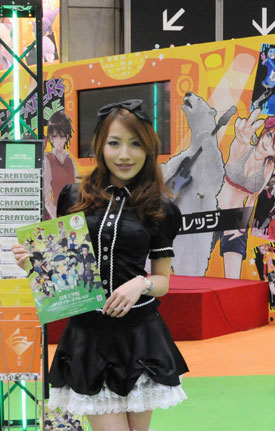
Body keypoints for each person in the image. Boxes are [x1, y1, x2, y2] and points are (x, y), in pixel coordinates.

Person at [12, 99, 188, 431]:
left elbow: (163, 280)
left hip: (140, 335)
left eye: (135, 144)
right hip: (89, 336)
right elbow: (62, 270)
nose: (125, 154)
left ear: (148, 149)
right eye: (114, 143)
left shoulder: (161, 207)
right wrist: (31, 264)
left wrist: (142, 283)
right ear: (100, 146)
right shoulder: (73, 197)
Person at [216, 108, 275, 279]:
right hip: (212, 213)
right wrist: (241, 138)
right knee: (195, 272)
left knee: (232, 280)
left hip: (234, 221)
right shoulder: (242, 147)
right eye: (270, 135)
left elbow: (252, 199)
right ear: (265, 132)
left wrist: (241, 227)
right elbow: (238, 145)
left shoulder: (268, 167)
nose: (267, 143)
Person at [44, 110, 78, 219]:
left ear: (67, 137)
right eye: (54, 137)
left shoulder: (70, 161)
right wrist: (57, 217)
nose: (58, 141)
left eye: (62, 136)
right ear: (50, 137)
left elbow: (77, 189)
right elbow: (46, 197)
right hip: (55, 215)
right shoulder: (47, 159)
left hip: (73, 213)